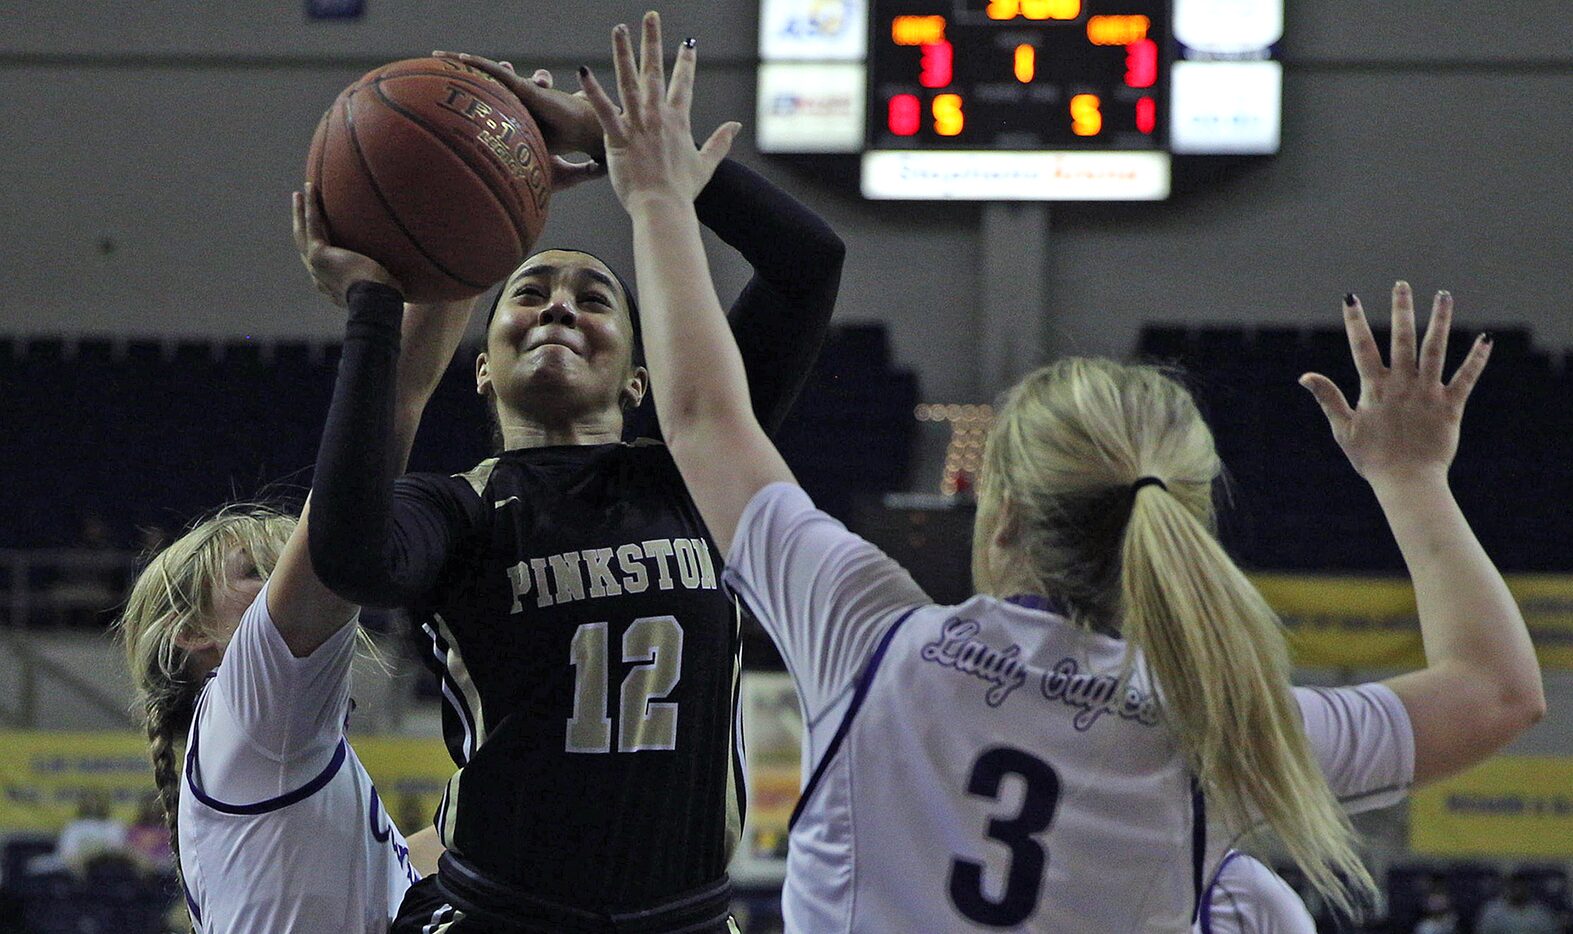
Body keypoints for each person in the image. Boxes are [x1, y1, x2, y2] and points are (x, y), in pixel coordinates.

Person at [584, 14, 1546, 929]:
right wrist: (1412, 478)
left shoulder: (872, 636)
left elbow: (705, 416)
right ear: (1182, 522)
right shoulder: (1224, 730)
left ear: (996, 518)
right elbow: (1499, 690)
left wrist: (658, 195)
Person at [305, 24, 843, 932]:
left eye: (595, 298)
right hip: (501, 915)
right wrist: (373, 311)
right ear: (482, 365)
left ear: (642, 379)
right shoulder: (461, 507)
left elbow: (807, 263)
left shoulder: (694, 474)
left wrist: (623, 148)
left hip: (689, 919)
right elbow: (350, 559)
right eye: (529, 291)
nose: (558, 303)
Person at [112, 191, 472, 932]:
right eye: (257, 573)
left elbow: (391, 875)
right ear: (192, 637)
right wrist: (453, 251)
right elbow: (385, 429)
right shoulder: (249, 708)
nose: (287, 582)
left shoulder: (259, 754)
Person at [1475, 872, 1560, 934]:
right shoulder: (1492, 912)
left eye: (1521, 887)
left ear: (1527, 889)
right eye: (1513, 887)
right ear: (1506, 888)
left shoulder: (1541, 914)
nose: (1517, 891)